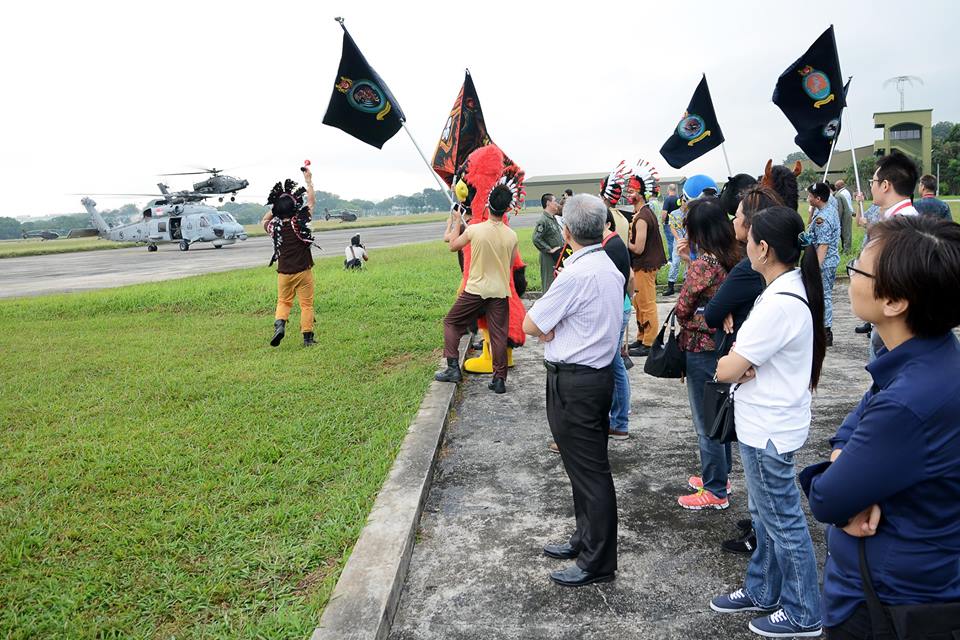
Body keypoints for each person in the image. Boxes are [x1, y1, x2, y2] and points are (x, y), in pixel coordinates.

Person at [801, 215, 960, 638]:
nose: (850, 275)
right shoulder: (932, 356)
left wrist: (843, 477)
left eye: (857, 268)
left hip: (885, 602)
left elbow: (828, 499)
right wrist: (846, 460)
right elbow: (854, 425)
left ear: (894, 302)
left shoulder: (910, 401)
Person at [710, 205, 826, 638]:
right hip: (770, 422)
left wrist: (733, 362)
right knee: (765, 518)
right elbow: (746, 361)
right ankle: (762, 589)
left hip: (770, 426)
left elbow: (726, 369)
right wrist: (742, 362)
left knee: (784, 522)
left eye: (749, 238)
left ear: (764, 248)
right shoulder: (786, 288)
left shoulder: (779, 301)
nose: (743, 243)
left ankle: (803, 612)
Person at [523, 194, 625, 588]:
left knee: (590, 472)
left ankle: (597, 561)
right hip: (595, 377)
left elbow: (533, 324)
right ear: (602, 228)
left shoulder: (575, 274)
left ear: (566, 232)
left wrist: (548, 329)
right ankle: (585, 540)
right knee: (583, 467)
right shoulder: (608, 267)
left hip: (576, 381)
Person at [703, 185, 781, 552]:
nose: (733, 220)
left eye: (738, 215)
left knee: (765, 483)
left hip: (753, 374)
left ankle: (761, 545)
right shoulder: (767, 277)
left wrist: (725, 311)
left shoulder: (752, 273)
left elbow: (714, 313)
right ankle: (759, 536)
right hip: (755, 370)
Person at [674, 196, 741, 510]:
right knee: (720, 413)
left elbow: (683, 309)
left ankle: (715, 488)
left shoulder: (706, 263)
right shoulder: (734, 254)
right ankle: (720, 475)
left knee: (706, 422)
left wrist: (690, 264)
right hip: (725, 349)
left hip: (702, 349)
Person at [435, 184, 519, 394]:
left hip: (476, 289)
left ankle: (453, 368)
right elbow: (509, 265)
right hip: (500, 291)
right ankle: (499, 380)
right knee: (499, 335)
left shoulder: (475, 229)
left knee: (451, 323)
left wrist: (456, 221)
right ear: (507, 208)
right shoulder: (512, 235)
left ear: (488, 205)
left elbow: (452, 245)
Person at [261, 170, 318, 348]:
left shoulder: (273, 227)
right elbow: (310, 202)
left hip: (284, 273)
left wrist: (275, 208)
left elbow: (264, 219)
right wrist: (308, 182)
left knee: (284, 302)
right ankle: (307, 338)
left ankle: (280, 325)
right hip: (303, 271)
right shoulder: (301, 222)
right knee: (306, 305)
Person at [602, 210, 634, 441]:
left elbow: (629, 278)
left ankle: (620, 422)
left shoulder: (610, 246)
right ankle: (618, 420)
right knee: (615, 365)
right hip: (620, 307)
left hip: (616, 309)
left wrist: (625, 304)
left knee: (615, 367)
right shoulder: (613, 241)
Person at [626, 175, 667, 356]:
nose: (629, 194)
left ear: (641, 194)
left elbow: (638, 248)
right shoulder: (641, 213)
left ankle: (650, 343)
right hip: (640, 266)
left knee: (646, 303)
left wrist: (623, 240)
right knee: (638, 303)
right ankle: (642, 337)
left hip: (645, 265)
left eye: (632, 191)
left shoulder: (643, 217)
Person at [807, 182, 841, 347]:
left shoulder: (823, 218)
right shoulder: (828, 209)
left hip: (825, 263)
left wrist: (815, 267)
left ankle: (825, 331)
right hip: (830, 261)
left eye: (810, 196)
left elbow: (823, 245)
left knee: (824, 296)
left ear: (818, 198)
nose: (808, 199)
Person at [872, 150, 920, 219]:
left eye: (873, 182)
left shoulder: (897, 225)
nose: (872, 187)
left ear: (885, 185)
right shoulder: (912, 216)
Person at [531, 193, 564, 292]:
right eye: (555, 201)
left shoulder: (552, 219)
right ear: (549, 203)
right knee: (549, 283)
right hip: (548, 258)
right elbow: (536, 238)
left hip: (557, 257)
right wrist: (549, 249)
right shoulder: (544, 220)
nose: (557, 204)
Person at [832, 181, 854, 253]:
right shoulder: (845, 192)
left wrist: (837, 219)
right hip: (847, 214)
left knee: (846, 232)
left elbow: (840, 209)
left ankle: (847, 250)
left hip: (845, 215)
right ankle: (845, 249)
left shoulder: (839, 195)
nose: (835, 187)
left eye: (836, 186)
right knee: (845, 232)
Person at [662, 184, 680, 259]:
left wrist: (663, 221)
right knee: (677, 241)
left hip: (668, 224)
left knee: (670, 242)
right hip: (678, 223)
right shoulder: (678, 199)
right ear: (675, 190)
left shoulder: (667, 199)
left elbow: (664, 213)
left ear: (668, 190)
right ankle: (678, 257)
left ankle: (671, 259)